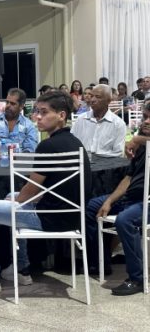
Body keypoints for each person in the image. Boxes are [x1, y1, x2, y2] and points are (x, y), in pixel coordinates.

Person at [0, 91, 91, 294]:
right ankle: (21, 269)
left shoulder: (48, 145)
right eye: (37, 111)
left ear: (61, 115)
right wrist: (18, 199)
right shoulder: (75, 143)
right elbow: (56, 187)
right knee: (12, 197)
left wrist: (19, 199)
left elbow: (29, 191)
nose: (37, 116)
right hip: (74, 217)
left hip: (49, 218)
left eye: (44, 112)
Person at [85, 102, 150, 295]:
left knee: (124, 220)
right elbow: (128, 178)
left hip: (147, 202)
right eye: (145, 117)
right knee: (92, 206)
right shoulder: (142, 147)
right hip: (132, 197)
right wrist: (109, 201)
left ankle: (137, 278)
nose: (146, 121)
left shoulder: (141, 142)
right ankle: (100, 261)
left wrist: (136, 139)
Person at [71, 84, 126, 157]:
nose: (92, 100)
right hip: (82, 162)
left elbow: (118, 154)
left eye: (98, 97)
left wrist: (96, 160)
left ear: (108, 101)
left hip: (106, 163)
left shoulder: (118, 124)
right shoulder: (80, 120)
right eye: (91, 96)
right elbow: (72, 144)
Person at [0, 88, 39, 152]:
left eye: (12, 104)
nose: (8, 105)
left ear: (21, 106)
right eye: (7, 102)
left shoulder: (28, 125)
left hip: (19, 157)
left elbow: (30, 149)